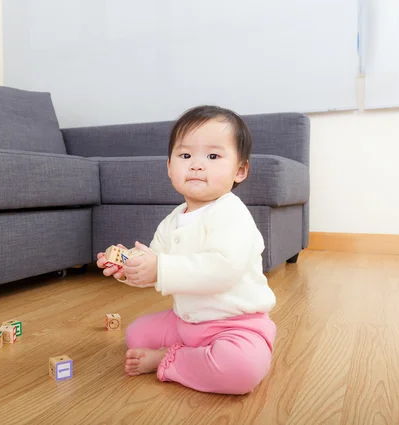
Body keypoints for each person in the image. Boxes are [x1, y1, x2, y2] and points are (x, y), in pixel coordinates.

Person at [96, 105, 277, 395]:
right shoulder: (172, 220)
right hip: (186, 321)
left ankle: (172, 359)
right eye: (185, 155)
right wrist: (129, 267)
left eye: (213, 156)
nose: (196, 164)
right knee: (135, 335)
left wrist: (160, 268)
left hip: (236, 325)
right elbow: (155, 264)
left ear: (240, 170)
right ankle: (194, 352)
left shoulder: (232, 214)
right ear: (169, 167)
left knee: (241, 370)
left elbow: (222, 270)